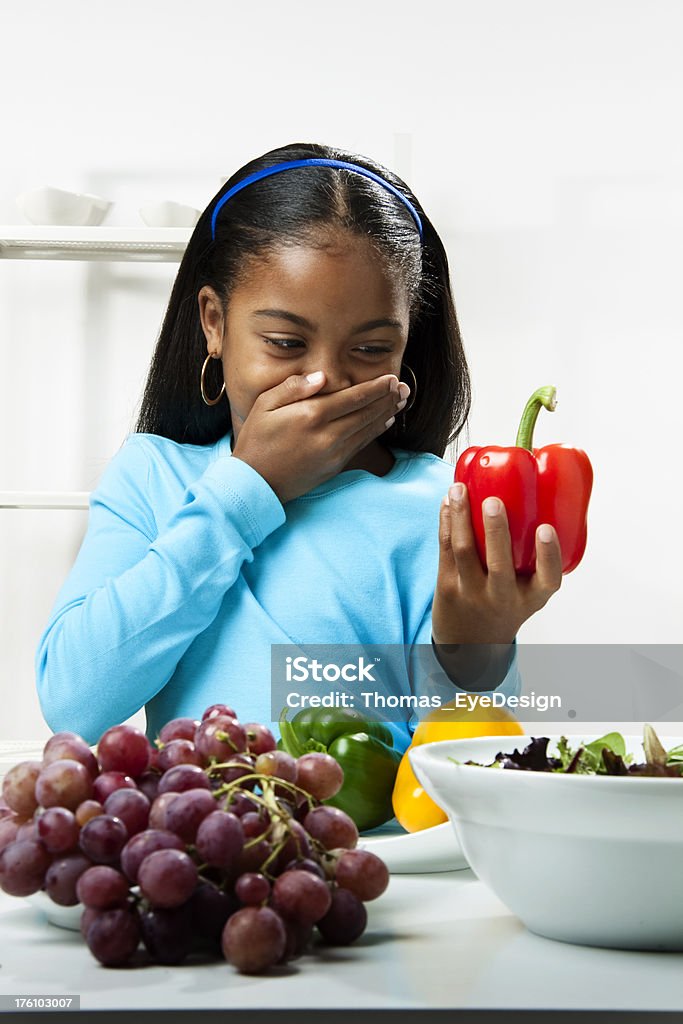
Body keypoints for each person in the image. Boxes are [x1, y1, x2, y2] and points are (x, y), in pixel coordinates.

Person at [35, 142, 562, 750]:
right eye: (285, 342)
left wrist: (476, 649)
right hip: (205, 842)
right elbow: (73, 703)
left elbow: (458, 763)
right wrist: (248, 486)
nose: (324, 380)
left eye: (370, 349)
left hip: (378, 848)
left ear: (407, 347)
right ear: (214, 322)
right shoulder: (151, 477)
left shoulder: (440, 505)